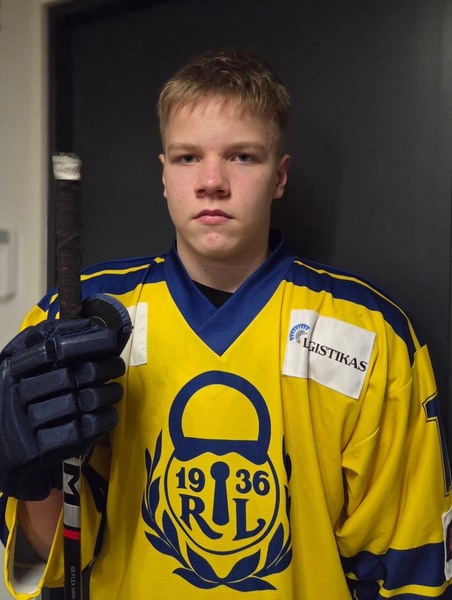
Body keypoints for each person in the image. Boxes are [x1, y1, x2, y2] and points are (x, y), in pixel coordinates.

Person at [0, 50, 451, 600]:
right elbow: (56, 554)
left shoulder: (370, 335)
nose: (212, 181)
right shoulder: (73, 324)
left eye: (242, 156)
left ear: (279, 176)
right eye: (188, 157)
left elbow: (409, 570)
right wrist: (34, 472)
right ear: (164, 174)